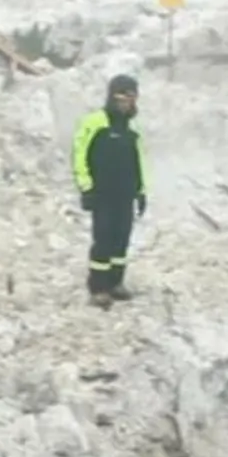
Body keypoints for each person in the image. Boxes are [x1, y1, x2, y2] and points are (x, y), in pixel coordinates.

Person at [71, 74, 147, 304]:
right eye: (123, 97)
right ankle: (98, 288)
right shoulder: (94, 122)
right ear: (113, 97)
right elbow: (79, 155)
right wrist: (86, 187)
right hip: (102, 194)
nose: (127, 102)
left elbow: (140, 161)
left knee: (121, 239)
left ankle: (116, 282)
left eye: (132, 98)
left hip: (125, 195)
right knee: (103, 240)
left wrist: (141, 191)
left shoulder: (132, 129)